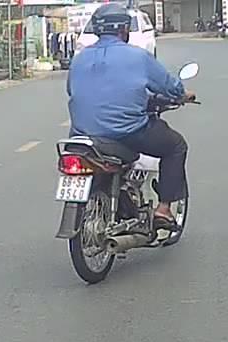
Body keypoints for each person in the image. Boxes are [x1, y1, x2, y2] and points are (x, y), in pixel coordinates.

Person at [67, 3, 194, 228]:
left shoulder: (79, 59)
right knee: (176, 146)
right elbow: (169, 86)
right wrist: (183, 95)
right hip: (127, 132)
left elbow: (72, 91)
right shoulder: (139, 57)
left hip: (82, 136)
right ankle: (164, 210)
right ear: (124, 29)